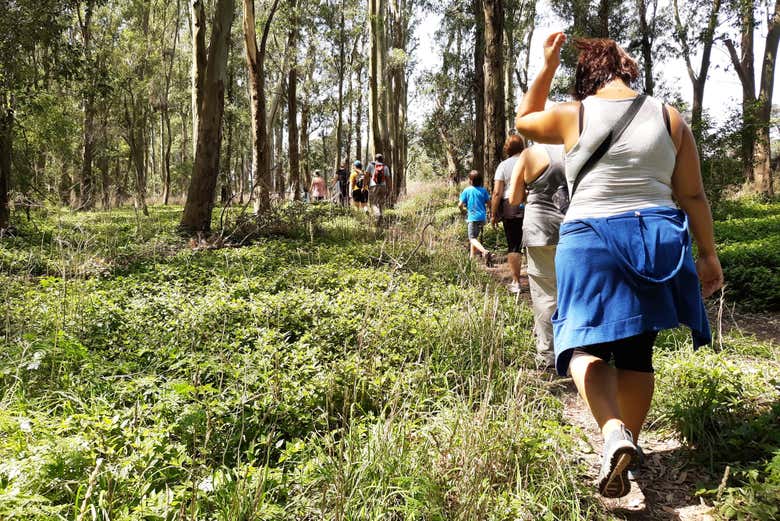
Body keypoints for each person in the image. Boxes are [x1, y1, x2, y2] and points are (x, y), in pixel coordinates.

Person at [514, 33, 723, 498]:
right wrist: (708, 254)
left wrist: (546, 65)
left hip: (591, 237)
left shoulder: (576, 113)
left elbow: (524, 122)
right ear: (628, 70)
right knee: (636, 353)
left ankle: (612, 434)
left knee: (576, 345)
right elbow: (691, 194)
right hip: (655, 239)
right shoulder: (670, 117)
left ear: (585, 75)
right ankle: (629, 438)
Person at [508, 144, 568, 369]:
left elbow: (514, 198)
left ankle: (548, 354)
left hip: (539, 231)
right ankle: (577, 349)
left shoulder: (529, 154)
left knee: (544, 294)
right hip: (573, 228)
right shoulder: (574, 147)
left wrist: (530, 190)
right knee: (572, 290)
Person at [490, 134, 527, 294]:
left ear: (507, 148)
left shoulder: (503, 166)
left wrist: (493, 213)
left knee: (514, 245)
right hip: (530, 203)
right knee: (531, 244)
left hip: (510, 206)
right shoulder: (530, 161)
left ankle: (516, 282)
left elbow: (497, 192)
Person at [458, 170, 492, 265]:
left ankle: (484, 251)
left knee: (472, 238)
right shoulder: (483, 190)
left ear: (470, 180)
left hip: (472, 218)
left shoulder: (467, 190)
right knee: (475, 237)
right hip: (482, 218)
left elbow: (460, 204)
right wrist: (491, 213)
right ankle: (471, 259)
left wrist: (462, 210)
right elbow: (489, 203)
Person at [366, 153, 391, 221]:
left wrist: (364, 185)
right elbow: (388, 179)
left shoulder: (371, 165)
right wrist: (389, 189)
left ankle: (377, 215)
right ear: (382, 159)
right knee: (381, 203)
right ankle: (381, 218)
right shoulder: (385, 167)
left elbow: (366, 176)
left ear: (375, 159)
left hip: (373, 186)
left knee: (373, 203)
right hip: (383, 186)